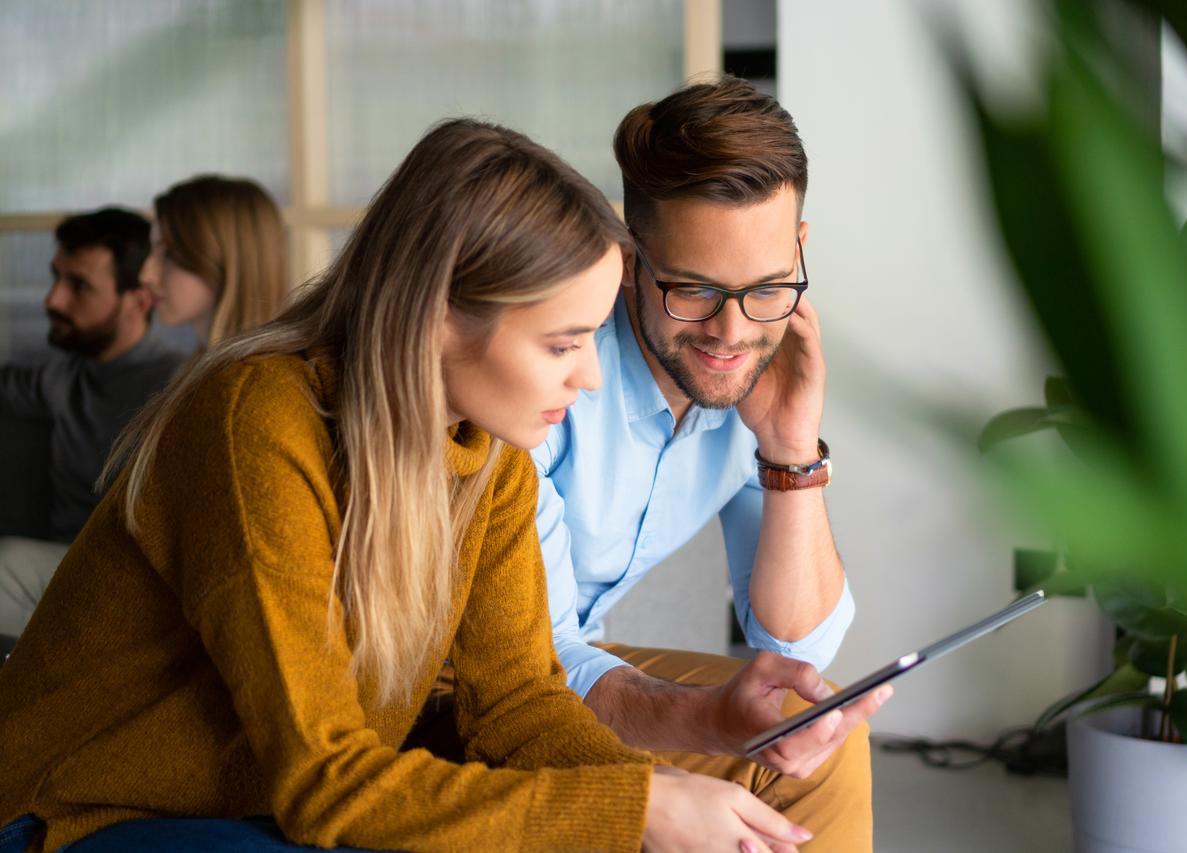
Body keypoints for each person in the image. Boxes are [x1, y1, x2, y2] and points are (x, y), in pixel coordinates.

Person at [0, 119, 814, 853]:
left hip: (254, 804)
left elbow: (520, 704)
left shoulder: (488, 457)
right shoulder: (255, 420)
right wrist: (630, 810)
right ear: (437, 318)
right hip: (73, 811)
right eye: (563, 343)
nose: (593, 376)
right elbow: (324, 780)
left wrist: (654, 798)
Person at [533, 77, 881, 850]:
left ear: (799, 249)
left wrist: (791, 449)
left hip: (566, 652)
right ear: (630, 260)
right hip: (482, 667)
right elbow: (526, 659)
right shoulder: (551, 367)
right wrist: (706, 724)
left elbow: (796, 653)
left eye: (765, 288)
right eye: (694, 290)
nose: (731, 333)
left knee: (818, 735)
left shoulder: (765, 357)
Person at [0, 208, 186, 637]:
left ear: (138, 301)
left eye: (78, 286)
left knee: (6, 566)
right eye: (56, 278)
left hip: (135, 587)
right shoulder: (60, 376)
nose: (53, 300)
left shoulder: (179, 388)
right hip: (59, 575)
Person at [139, 174, 289, 348]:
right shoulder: (200, 363)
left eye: (169, 255)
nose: (146, 276)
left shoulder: (261, 373)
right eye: (152, 251)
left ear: (229, 259)